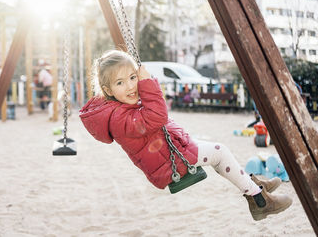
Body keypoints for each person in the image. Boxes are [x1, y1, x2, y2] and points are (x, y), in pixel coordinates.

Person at [79, 50, 292, 221]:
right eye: (120, 83)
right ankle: (260, 201)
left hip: (173, 151)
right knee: (220, 152)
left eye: (133, 77)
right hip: (168, 165)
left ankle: (254, 185)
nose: (131, 86)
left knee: (217, 153)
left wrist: (145, 86)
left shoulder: (122, 106)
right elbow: (157, 117)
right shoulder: (117, 119)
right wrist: (148, 85)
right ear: (107, 90)